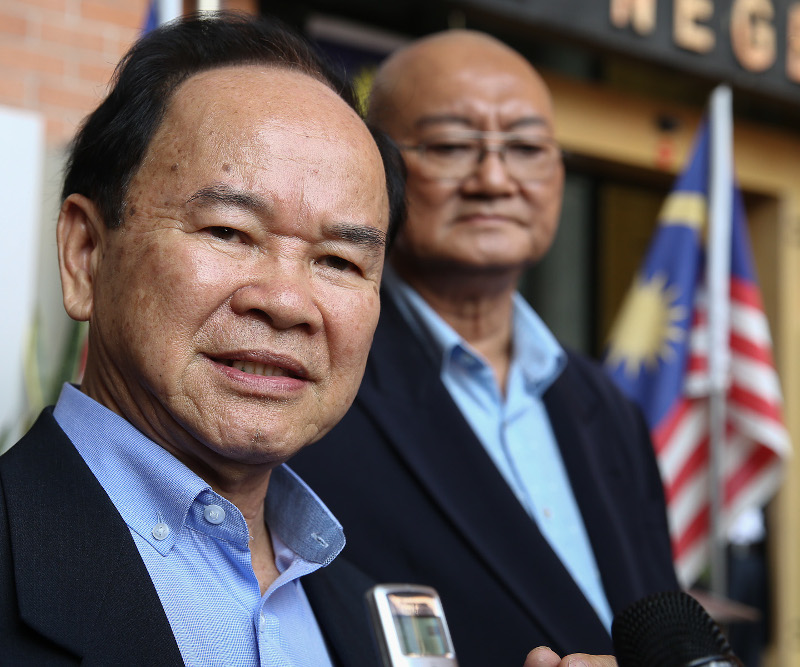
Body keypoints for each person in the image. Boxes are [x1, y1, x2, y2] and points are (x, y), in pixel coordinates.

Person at [0, 13, 616, 667]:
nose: (288, 301)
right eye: (229, 231)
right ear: (86, 252)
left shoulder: (376, 623)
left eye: (338, 258)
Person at [290, 29, 680, 665]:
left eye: (525, 147)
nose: (495, 179)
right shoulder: (311, 378)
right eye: (451, 145)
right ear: (372, 168)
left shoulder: (608, 408)